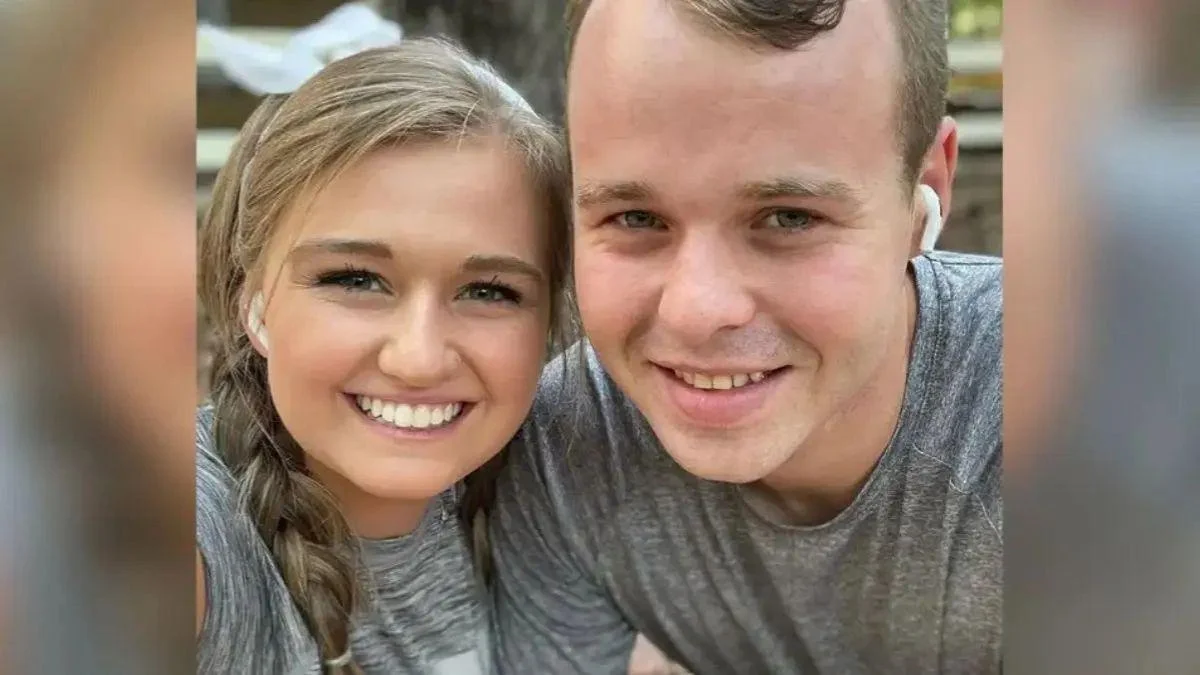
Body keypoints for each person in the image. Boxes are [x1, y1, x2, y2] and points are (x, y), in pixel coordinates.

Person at [487, 0, 1001, 673]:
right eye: (636, 217)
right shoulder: (566, 452)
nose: (696, 311)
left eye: (789, 218)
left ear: (926, 189)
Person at [195, 38, 570, 674]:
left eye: (488, 291)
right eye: (355, 279)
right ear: (251, 302)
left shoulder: (561, 490)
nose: (418, 359)